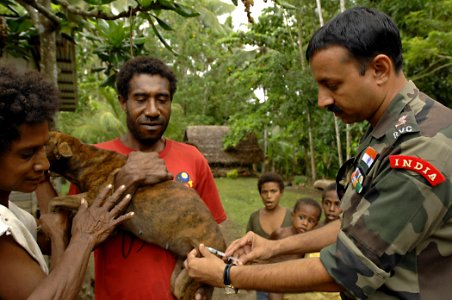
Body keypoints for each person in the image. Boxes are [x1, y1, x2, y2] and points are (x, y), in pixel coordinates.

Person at [184, 7, 452, 299]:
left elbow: (347, 269)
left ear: (379, 69)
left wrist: (227, 275)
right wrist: (274, 247)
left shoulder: (424, 146)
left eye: (332, 85)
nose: (322, 100)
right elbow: (357, 226)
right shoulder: (388, 129)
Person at [69, 56, 227, 300]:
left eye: (162, 100)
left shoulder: (193, 159)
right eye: (141, 99)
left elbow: (212, 237)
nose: (152, 111)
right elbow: (73, 237)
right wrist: (125, 179)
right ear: (123, 102)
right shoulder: (93, 162)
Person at [0, 65, 136, 299]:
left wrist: (60, 234)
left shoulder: (14, 215)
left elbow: (57, 253)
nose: (43, 164)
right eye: (26, 154)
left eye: (43, 148)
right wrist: (84, 237)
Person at [247, 172, 292, 300]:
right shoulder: (254, 218)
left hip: (288, 279)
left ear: (281, 192)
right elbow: (248, 247)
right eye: (264, 192)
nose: (268, 196)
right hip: (262, 279)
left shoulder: (292, 216)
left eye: (273, 191)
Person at [268, 197, 321, 300]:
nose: (305, 223)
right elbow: (266, 247)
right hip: (274, 276)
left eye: (310, 221)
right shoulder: (280, 233)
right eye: (301, 217)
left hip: (291, 279)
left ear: (316, 224)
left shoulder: (309, 242)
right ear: (292, 216)